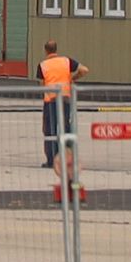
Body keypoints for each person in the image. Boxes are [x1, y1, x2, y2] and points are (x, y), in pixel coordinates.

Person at [36, 39, 90, 169]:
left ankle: (51, 160)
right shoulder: (66, 61)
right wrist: (72, 79)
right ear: (56, 49)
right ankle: (68, 158)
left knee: (50, 131)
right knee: (66, 128)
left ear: (46, 50)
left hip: (50, 100)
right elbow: (84, 70)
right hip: (65, 99)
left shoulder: (43, 65)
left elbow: (41, 85)